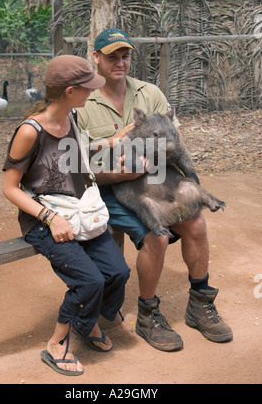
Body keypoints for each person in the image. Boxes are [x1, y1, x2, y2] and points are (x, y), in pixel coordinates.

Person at [77, 28, 233, 352]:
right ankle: (148, 313)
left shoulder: (150, 94)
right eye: (111, 56)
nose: (120, 62)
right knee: (157, 235)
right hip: (106, 188)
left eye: (125, 56)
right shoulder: (82, 101)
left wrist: (190, 181)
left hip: (156, 178)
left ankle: (200, 302)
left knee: (196, 222)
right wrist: (111, 174)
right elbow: (74, 163)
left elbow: (175, 145)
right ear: (96, 58)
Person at [2, 55, 130, 376]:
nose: (93, 93)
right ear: (70, 91)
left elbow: (75, 153)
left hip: (79, 210)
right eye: (88, 88)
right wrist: (49, 217)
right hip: (44, 219)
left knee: (117, 273)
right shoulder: (30, 131)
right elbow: (10, 188)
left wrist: (112, 141)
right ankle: (57, 343)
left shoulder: (71, 117)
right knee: (89, 281)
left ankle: (86, 324)